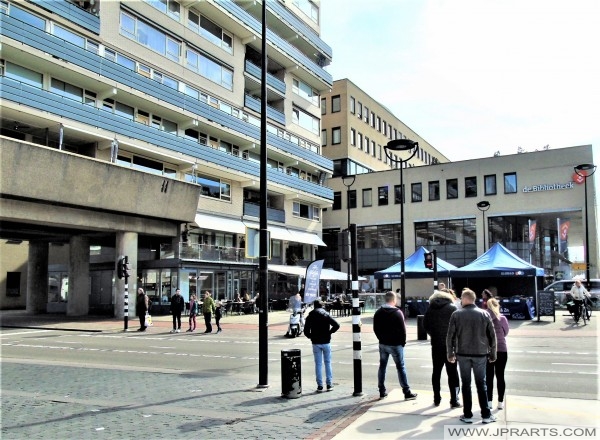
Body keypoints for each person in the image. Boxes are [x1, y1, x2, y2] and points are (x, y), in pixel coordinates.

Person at [447, 288, 497, 424]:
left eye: (461, 299)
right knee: (482, 384)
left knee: (466, 384)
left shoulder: (456, 314)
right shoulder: (484, 314)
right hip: (480, 353)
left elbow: (450, 336)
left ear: (465, 299)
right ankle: (486, 414)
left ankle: (467, 414)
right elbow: (492, 336)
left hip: (462, 353)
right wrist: (493, 353)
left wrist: (450, 353)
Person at [373, 291, 418, 400]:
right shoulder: (398, 313)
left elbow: (375, 328)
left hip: (383, 344)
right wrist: (402, 343)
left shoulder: (378, 312)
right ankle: (406, 391)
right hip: (396, 344)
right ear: (393, 300)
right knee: (400, 367)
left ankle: (382, 390)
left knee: (382, 366)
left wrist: (380, 338)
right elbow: (403, 330)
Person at [423, 289, 461, 408]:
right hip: (450, 346)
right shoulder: (452, 308)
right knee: (452, 373)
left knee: (436, 372)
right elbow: (459, 327)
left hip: (436, 344)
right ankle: (454, 400)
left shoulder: (430, 309)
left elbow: (425, 325)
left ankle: (436, 398)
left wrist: (433, 335)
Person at [304, 299, 340, 392]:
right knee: (328, 363)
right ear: (322, 306)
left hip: (316, 342)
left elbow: (306, 331)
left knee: (318, 364)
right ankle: (329, 384)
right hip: (326, 341)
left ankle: (320, 386)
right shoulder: (326, 314)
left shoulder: (310, 316)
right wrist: (329, 333)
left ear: (314, 306)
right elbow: (337, 325)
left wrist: (311, 337)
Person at [485, 298, 509, 410]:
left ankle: (489, 401)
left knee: (489, 377)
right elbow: (506, 332)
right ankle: (500, 402)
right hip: (502, 349)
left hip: (488, 349)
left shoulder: (485, 317)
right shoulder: (502, 318)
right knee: (500, 376)